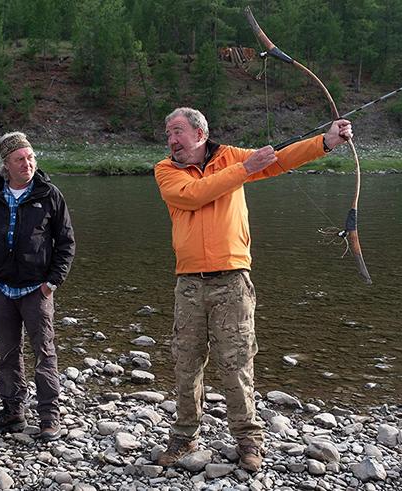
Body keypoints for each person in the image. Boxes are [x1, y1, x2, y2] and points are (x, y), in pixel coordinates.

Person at [153, 107, 353, 472]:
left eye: (177, 132)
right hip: (189, 284)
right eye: (168, 134)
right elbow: (195, 194)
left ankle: (248, 440)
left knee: (237, 363)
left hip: (232, 280)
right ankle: (184, 436)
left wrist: (326, 142)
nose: (171, 140)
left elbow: (279, 159)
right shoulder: (167, 171)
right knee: (186, 362)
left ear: (200, 133)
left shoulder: (230, 156)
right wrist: (245, 169)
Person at [0, 131, 75, 441]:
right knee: (7, 354)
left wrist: (52, 282)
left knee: (44, 353)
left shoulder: (49, 194)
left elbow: (66, 243)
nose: (28, 163)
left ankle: (49, 417)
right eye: (20, 159)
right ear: (6, 164)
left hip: (36, 289)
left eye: (31, 157)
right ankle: (12, 412)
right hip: (0, 289)